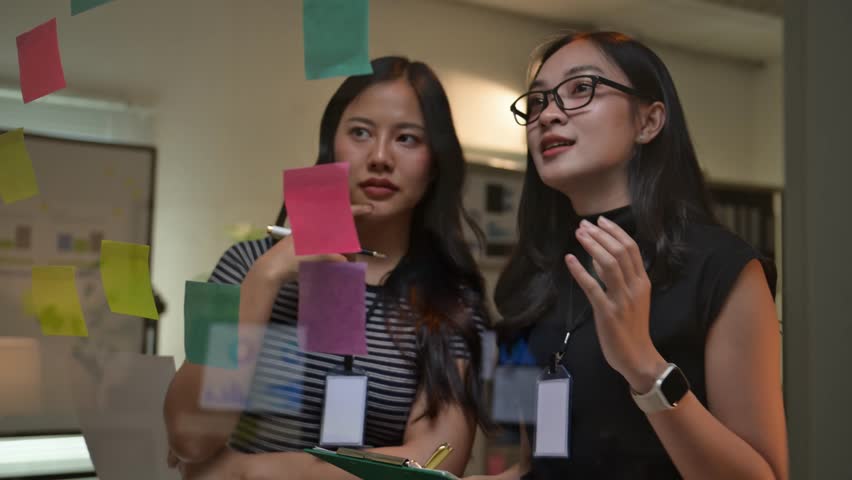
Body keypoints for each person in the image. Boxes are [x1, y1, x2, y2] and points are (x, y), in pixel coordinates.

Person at [164, 56, 491, 479]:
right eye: (360, 133)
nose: (379, 157)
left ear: (435, 164)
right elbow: (190, 438)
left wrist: (252, 472)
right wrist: (263, 282)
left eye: (407, 139)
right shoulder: (246, 263)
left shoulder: (452, 299)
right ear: (330, 145)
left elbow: (437, 457)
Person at [479, 32, 788, 480]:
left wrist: (643, 365)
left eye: (580, 89)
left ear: (649, 122)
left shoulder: (723, 268)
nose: (548, 115)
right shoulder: (536, 278)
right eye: (539, 101)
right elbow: (534, 466)